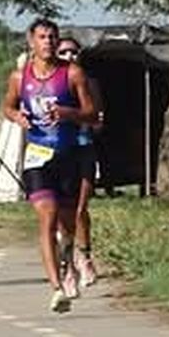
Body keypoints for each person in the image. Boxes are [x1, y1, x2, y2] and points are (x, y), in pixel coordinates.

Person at [2, 19, 96, 312]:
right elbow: (7, 105)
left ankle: (69, 261)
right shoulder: (20, 77)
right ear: (31, 41)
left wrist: (69, 113)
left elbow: (93, 113)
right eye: (42, 37)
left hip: (68, 154)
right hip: (37, 156)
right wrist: (16, 116)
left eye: (53, 37)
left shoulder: (72, 73)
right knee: (48, 216)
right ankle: (56, 288)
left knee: (68, 222)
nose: (48, 42)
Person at [56, 35, 100, 286]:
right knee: (62, 213)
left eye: (73, 52)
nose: (69, 57)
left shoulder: (88, 82)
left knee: (81, 208)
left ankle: (85, 256)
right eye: (63, 53)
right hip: (57, 152)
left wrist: (83, 118)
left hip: (83, 148)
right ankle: (68, 265)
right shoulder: (50, 84)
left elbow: (97, 118)